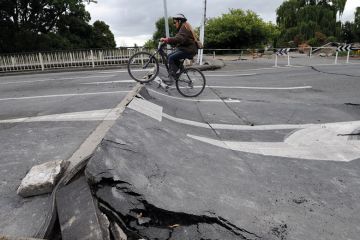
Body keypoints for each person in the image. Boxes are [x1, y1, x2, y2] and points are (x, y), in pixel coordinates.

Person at [160, 13, 198, 85]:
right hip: (187, 49)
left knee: (171, 57)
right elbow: (178, 41)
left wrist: (167, 39)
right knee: (170, 56)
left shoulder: (184, 27)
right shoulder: (184, 27)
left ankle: (171, 78)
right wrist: (167, 42)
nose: (174, 24)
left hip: (188, 50)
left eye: (175, 22)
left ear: (179, 21)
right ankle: (177, 72)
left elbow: (179, 39)